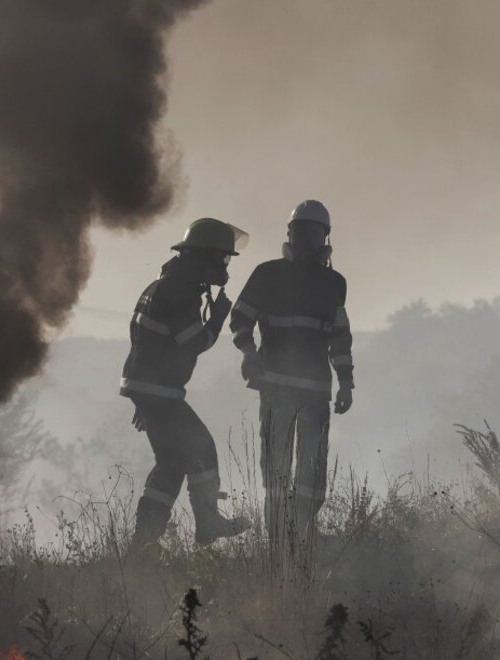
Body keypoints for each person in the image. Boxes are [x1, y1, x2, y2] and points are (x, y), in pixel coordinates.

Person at [229, 200, 354, 576]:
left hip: (314, 393)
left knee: (310, 477)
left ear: (323, 238)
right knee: (277, 472)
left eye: (310, 233)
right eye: (300, 232)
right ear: (291, 235)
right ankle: (278, 550)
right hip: (282, 392)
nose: (304, 239)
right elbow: (240, 318)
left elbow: (340, 338)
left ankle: (300, 540)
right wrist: (248, 352)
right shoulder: (267, 275)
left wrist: (346, 381)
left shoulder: (335, 284)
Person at [121, 218, 251, 555]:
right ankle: (206, 524)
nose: (224, 267)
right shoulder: (179, 290)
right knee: (201, 449)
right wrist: (219, 315)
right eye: (221, 259)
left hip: (152, 390)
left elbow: (145, 342)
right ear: (202, 257)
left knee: (172, 463)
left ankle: (144, 544)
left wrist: (141, 398)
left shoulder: (164, 284)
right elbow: (195, 342)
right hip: (160, 392)